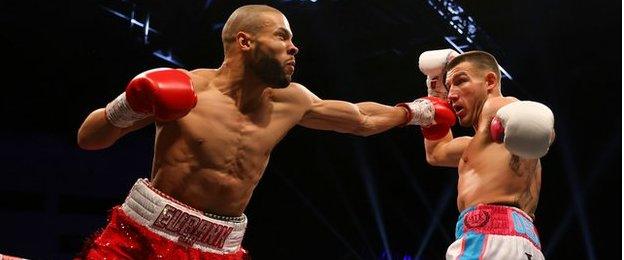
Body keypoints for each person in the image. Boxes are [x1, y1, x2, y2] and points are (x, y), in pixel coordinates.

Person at [75, 4, 440, 259]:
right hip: (141, 237)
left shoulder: (291, 101)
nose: (293, 46)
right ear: (245, 41)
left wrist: (417, 112)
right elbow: (89, 139)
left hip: (221, 248)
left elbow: (361, 118)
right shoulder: (187, 90)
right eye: (282, 37)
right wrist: (130, 103)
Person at [400, 50, 555, 259]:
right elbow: (436, 153)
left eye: (460, 81)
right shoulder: (478, 144)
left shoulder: (500, 106)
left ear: (490, 81)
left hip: (491, 239)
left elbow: (537, 125)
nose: (452, 94)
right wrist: (435, 98)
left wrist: (535, 125)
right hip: (522, 244)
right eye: (449, 86)